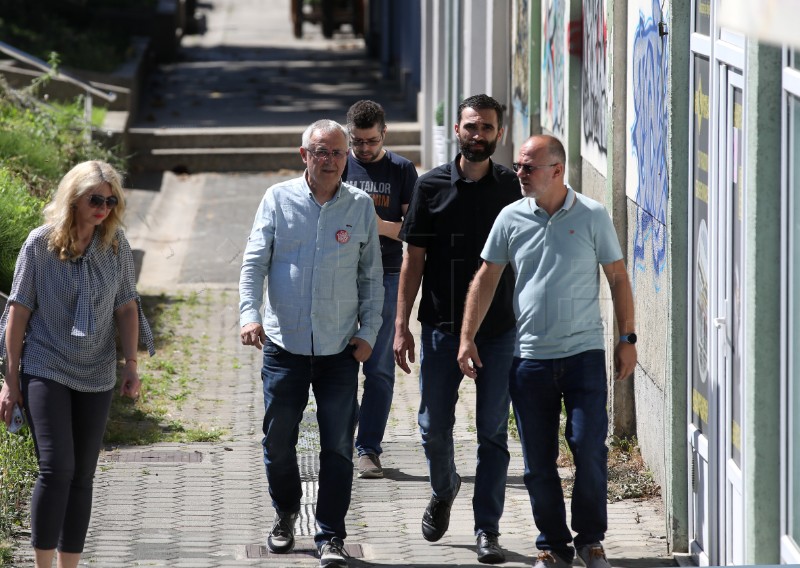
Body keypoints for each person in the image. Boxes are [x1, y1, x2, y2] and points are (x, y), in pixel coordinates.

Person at [457, 135, 637, 568]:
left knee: (589, 447)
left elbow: (618, 277)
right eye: (518, 166)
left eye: (528, 167)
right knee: (538, 461)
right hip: (530, 359)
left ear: (556, 170)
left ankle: (591, 540)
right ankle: (553, 545)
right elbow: (486, 278)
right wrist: (467, 338)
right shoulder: (510, 217)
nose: (518, 173)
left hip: (584, 357)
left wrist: (627, 338)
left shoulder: (592, 216)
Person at [239, 119, 383, 568]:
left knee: (338, 445)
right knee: (278, 440)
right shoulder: (278, 199)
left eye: (338, 153)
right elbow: (254, 262)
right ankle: (285, 513)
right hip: (285, 346)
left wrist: (368, 333)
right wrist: (249, 315)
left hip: (341, 349)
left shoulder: (359, 205)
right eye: (321, 152)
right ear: (304, 154)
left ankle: (331, 536)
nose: (330, 160)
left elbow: (371, 276)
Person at [0, 160, 155, 568]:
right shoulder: (40, 244)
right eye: (95, 199)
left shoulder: (115, 244)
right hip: (46, 364)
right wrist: (10, 381)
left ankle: (70, 564)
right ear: (74, 198)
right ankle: (42, 564)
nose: (103, 207)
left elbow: (126, 307)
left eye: (110, 200)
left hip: (97, 369)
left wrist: (131, 365)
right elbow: (17, 314)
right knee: (56, 468)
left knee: (83, 474)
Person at [394, 94, 519, 565]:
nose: (478, 135)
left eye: (487, 128)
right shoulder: (430, 188)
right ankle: (444, 488)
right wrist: (401, 325)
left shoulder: (512, 187)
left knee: (492, 432)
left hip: (500, 329)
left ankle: (488, 528)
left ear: (498, 134)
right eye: (471, 126)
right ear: (458, 130)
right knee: (432, 425)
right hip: (442, 328)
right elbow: (413, 260)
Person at [343, 100, 418, 479]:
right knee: (337, 363)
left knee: (379, 368)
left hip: (387, 274)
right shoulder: (339, 162)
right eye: (357, 141)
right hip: (339, 277)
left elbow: (413, 229)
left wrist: (375, 224)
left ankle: (368, 448)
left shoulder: (402, 169)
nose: (363, 149)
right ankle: (337, 441)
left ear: (384, 134)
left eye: (371, 141)